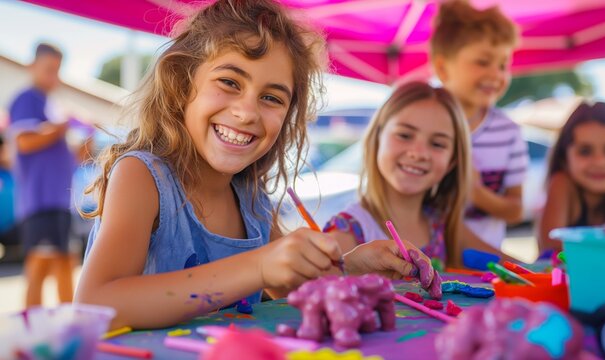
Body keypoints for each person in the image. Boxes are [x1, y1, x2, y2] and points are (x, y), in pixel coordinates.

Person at [76, 0, 427, 330]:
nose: (247, 112)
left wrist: (351, 266)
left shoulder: (252, 199)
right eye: (229, 82)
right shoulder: (142, 177)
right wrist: (259, 265)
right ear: (182, 85)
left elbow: (287, 283)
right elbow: (95, 303)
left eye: (271, 98)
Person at [324, 82, 512, 271]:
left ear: (452, 162)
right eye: (405, 135)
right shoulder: (347, 231)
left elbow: (517, 269)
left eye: (437, 144)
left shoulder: (443, 225)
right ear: (377, 137)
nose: (419, 153)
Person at [429, 0, 529, 250]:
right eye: (483, 62)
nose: (496, 74)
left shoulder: (508, 133)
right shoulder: (423, 125)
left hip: (484, 264)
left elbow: (515, 210)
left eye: (503, 65)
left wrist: (474, 192)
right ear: (443, 67)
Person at [8, 43, 75, 307]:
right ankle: (31, 331)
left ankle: (68, 322)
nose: (53, 76)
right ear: (32, 66)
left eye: (57, 70)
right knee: (40, 265)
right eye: (48, 69)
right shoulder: (27, 99)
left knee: (64, 262)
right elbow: (24, 141)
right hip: (41, 200)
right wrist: (59, 129)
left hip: (58, 199)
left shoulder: (49, 103)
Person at [539, 101, 605, 253]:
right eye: (585, 151)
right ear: (564, 158)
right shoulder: (562, 184)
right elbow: (551, 249)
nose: (600, 162)